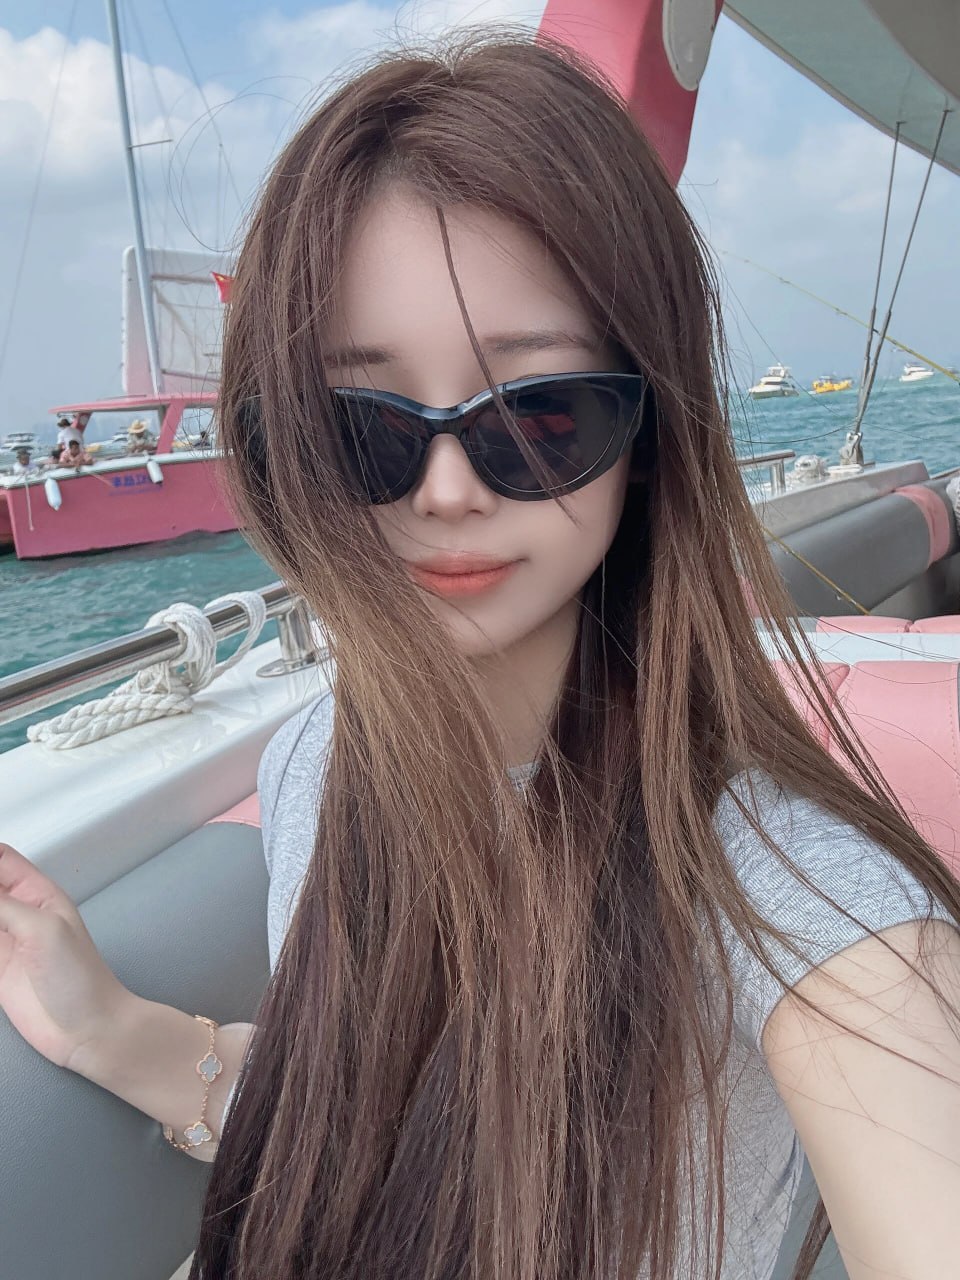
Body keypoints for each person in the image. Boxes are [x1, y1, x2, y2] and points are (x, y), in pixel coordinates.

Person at [1, 34, 959, 1280]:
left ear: (647, 435)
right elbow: (370, 1140)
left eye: (536, 414)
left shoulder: (798, 895)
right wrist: (111, 1030)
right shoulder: (315, 761)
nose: (447, 490)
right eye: (361, 427)